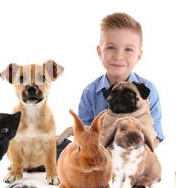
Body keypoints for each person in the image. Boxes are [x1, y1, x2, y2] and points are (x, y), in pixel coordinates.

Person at [56, 12, 164, 157]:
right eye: (111, 47)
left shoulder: (148, 89)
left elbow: (156, 136)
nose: (119, 56)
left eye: (128, 49)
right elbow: (84, 135)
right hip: (98, 155)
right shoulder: (90, 92)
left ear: (139, 56)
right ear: (100, 51)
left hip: (135, 158)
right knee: (58, 150)